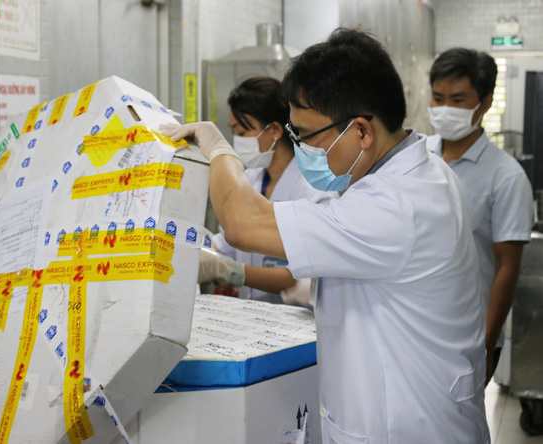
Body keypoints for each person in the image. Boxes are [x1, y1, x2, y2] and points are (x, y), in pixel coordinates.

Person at [163, 28, 489, 443]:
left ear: (362, 131)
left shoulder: (395, 204)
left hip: (408, 426)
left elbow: (242, 224)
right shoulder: (416, 172)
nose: (301, 148)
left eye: (306, 136)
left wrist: (217, 147)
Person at [427, 48, 533, 384]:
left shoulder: (506, 177)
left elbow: (506, 268)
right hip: (415, 323)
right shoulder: (417, 157)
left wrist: (485, 345)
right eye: (438, 98)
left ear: (485, 103)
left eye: (458, 100)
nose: (445, 109)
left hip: (467, 336)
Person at [199, 76, 335, 305]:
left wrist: (229, 271)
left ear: (274, 130)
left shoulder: (314, 191)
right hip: (250, 313)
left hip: (294, 319)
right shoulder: (249, 180)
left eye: (242, 133)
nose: (237, 141)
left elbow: (303, 277)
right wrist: (193, 248)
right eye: (233, 132)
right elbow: (229, 243)